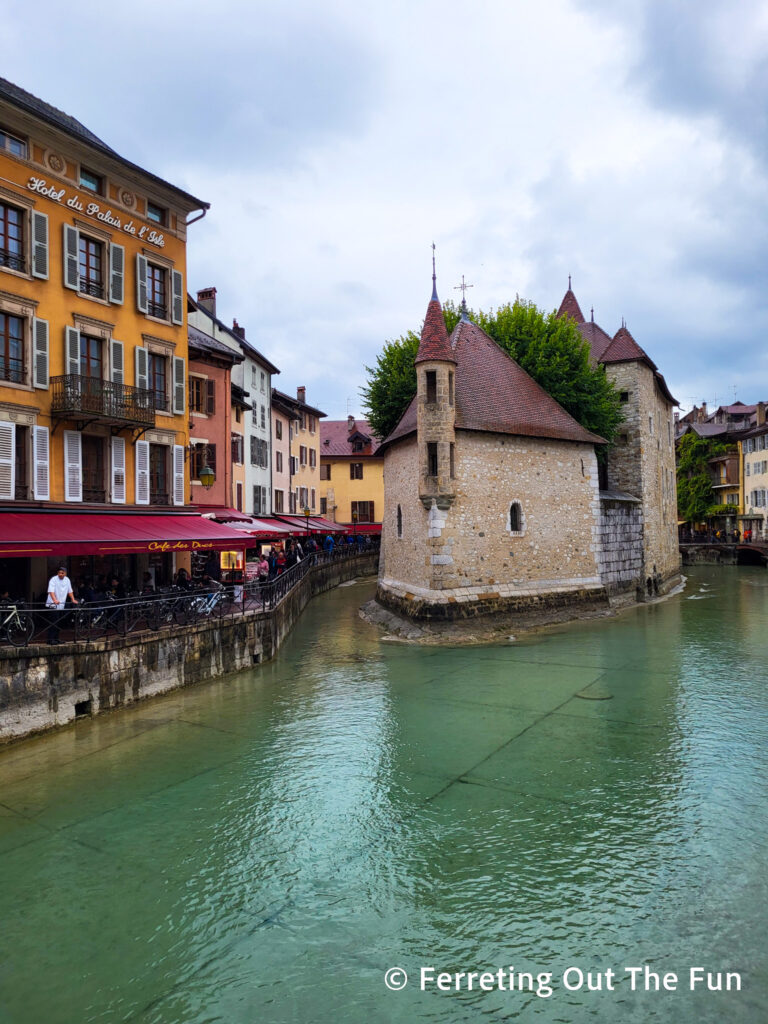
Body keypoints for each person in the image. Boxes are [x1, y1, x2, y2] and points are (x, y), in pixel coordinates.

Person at [46, 566, 77, 645]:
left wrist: (73, 599)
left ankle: (56, 638)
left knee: (59, 622)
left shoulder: (67, 580)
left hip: (61, 604)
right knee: (53, 622)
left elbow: (70, 591)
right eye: (59, 573)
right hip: (53, 604)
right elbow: (51, 591)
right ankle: (50, 639)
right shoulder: (53, 579)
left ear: (65, 574)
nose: (60, 574)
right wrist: (54, 600)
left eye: (62, 573)